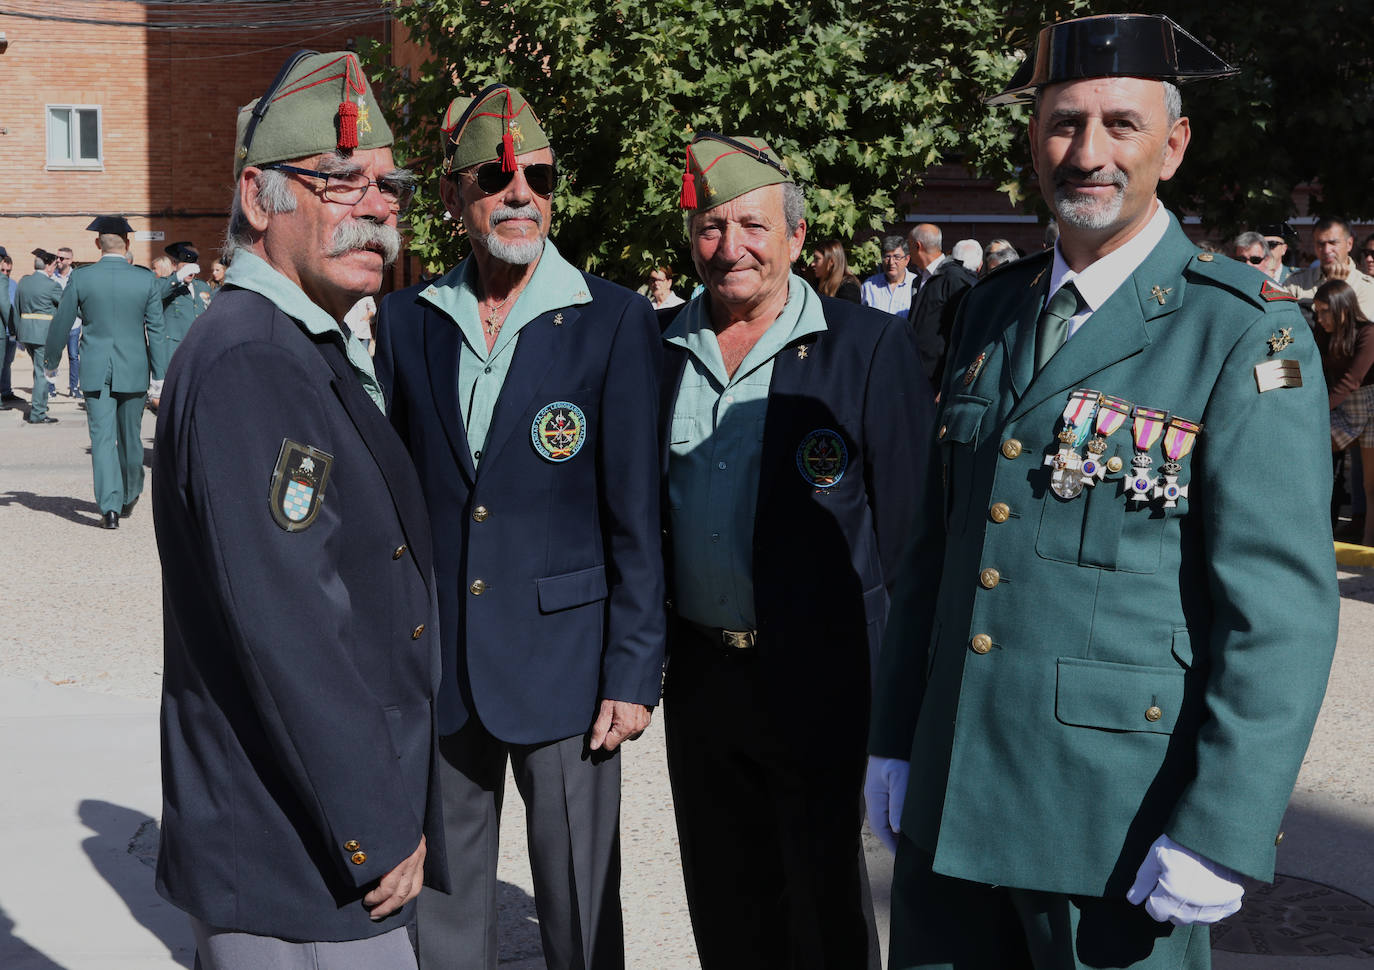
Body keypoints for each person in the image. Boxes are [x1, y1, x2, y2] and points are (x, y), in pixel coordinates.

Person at [866, 14, 1338, 970]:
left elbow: (1280, 614)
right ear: (1032, 140)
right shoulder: (990, 311)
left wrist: (1224, 824)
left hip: (1117, 826)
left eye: (1120, 125)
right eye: (1062, 123)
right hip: (953, 800)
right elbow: (941, 547)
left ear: (1174, 143)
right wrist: (895, 736)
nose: (1087, 153)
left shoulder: (1241, 334)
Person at [150, 49, 449, 969]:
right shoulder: (253, 356)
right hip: (295, 844)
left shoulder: (288, 341)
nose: (379, 207)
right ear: (257, 197)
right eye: (341, 180)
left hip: (307, 825)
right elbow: (288, 618)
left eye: (389, 183)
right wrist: (372, 818)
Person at [374, 84, 664, 970]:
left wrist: (633, 670)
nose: (519, 194)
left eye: (536, 177)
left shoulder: (613, 318)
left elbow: (637, 515)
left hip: (569, 665)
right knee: (451, 899)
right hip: (446, 661)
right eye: (497, 178)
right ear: (459, 196)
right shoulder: (408, 318)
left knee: (578, 897)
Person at [665, 131, 931, 969]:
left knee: (823, 903)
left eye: (751, 225)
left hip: (825, 678)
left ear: (797, 238)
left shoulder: (868, 347)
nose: (730, 247)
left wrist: (901, 691)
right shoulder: (655, 346)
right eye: (710, 227)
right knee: (724, 899)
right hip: (703, 679)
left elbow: (911, 529)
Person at [44, 218, 167, 529]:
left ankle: (109, 507)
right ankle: (130, 493)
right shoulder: (145, 280)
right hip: (134, 369)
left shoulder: (82, 278)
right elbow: (156, 330)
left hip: (96, 367)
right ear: (127, 243)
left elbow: (61, 322)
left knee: (101, 439)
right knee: (131, 437)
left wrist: (51, 361)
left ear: (98, 244)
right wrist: (159, 377)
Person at [1314, 279, 1374, 545]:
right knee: (1312, 456)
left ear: (1343, 309)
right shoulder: (1324, 331)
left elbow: (1352, 381)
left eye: (1325, 311)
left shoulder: (1368, 332)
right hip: (1341, 406)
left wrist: (1313, 412)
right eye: (1317, 311)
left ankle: (1368, 544)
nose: (1320, 317)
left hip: (1368, 405)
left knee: (1370, 485)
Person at [906, 222, 978, 387]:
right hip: (916, 374)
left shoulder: (953, 279)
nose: (907, 251)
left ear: (918, 246)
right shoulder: (920, 279)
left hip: (937, 381)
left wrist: (949, 379)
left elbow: (964, 332)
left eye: (908, 245)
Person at [1286, 217, 1374, 319]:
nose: (1326, 250)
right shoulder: (1296, 283)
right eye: (1321, 244)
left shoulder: (1366, 287)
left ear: (1349, 244)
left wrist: (1334, 290)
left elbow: (1353, 330)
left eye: (1333, 243)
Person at [15, 250, 64, 424]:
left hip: (26, 333)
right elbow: (65, 308)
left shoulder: (24, 282)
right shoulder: (52, 286)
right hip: (43, 334)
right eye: (54, 265)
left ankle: (40, 404)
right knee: (43, 373)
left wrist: (17, 332)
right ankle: (38, 413)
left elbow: (17, 308)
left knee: (38, 371)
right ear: (49, 266)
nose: (54, 268)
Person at [860, 235, 917, 315]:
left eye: (896, 257)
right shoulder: (869, 286)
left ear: (907, 260)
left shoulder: (916, 285)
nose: (891, 262)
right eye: (887, 257)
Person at [808, 238, 861, 302]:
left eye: (817, 259)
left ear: (831, 262)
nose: (812, 264)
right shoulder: (815, 283)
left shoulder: (849, 289)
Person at [0, 251, 20, 407]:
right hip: (5, 330)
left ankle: (6, 391)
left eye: (9, 271)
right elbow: (5, 306)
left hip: (10, 333)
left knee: (7, 363)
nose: (6, 273)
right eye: (3, 270)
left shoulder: (13, 284)